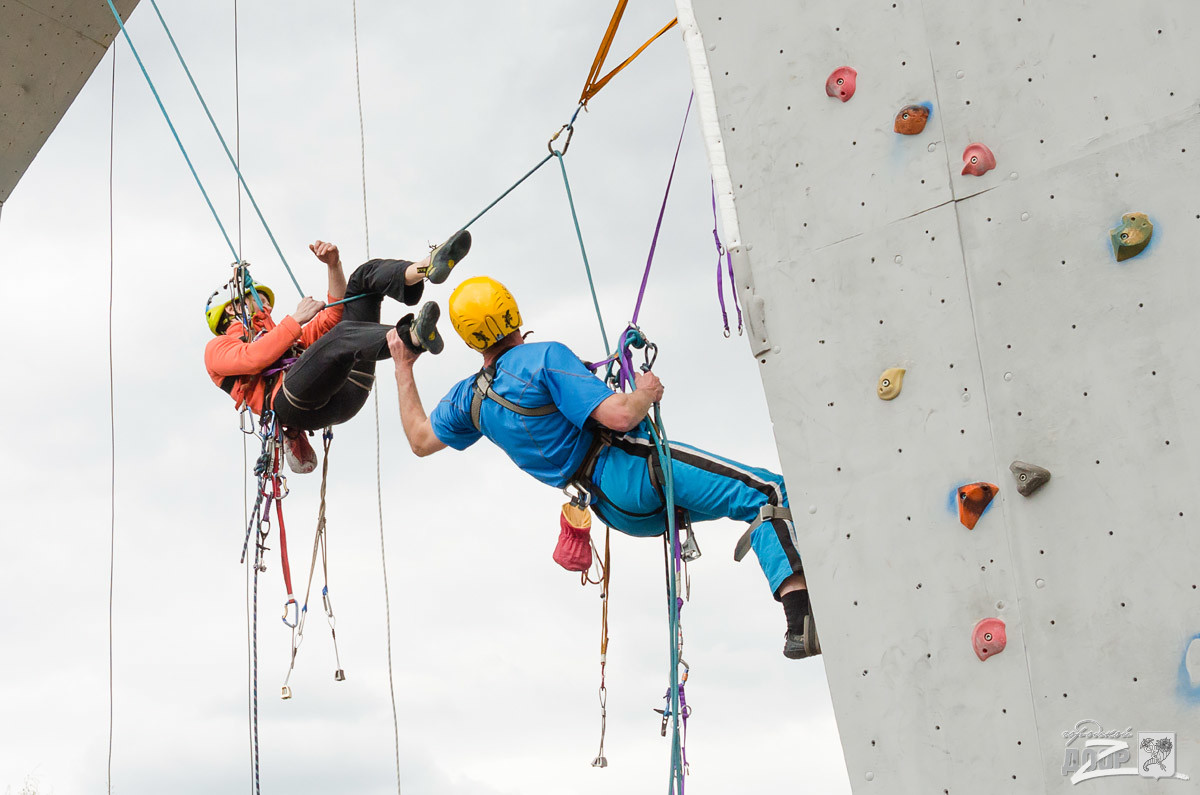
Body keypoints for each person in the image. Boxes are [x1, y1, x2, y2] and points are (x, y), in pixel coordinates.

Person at [384, 275, 819, 659]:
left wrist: (404, 367)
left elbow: (420, 440)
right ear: (513, 314)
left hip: (613, 509)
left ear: (468, 338)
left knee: (748, 501)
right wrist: (645, 391)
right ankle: (800, 623)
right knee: (767, 492)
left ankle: (802, 582)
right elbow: (620, 417)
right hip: (631, 470)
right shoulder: (543, 357)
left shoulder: (470, 399)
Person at [204, 232, 470, 472]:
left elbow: (334, 317)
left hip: (345, 384)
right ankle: (411, 336)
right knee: (340, 338)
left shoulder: (286, 339)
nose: (265, 305)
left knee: (361, 280)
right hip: (293, 404)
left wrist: (334, 265)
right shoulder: (217, 348)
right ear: (231, 308)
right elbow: (253, 359)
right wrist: (295, 320)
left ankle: (423, 268)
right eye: (256, 298)